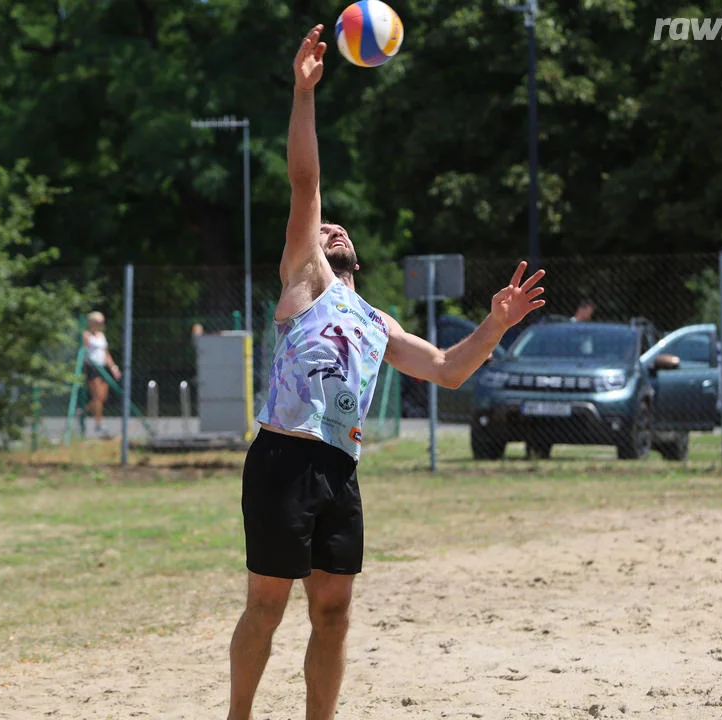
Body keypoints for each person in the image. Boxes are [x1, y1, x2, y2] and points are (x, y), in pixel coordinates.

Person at [225, 24, 547, 720]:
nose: (329, 230)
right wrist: (303, 94)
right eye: (323, 228)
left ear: (358, 258)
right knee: (267, 604)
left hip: (340, 468)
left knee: (334, 611)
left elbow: (447, 369)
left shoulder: (375, 322)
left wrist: (495, 324)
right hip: (283, 456)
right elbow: (305, 180)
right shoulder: (305, 281)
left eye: (339, 232)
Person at [82, 311, 120, 437]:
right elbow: (84, 353)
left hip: (103, 368)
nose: (100, 325)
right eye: (97, 322)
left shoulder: (101, 336)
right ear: (92, 323)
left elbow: (106, 354)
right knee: (97, 397)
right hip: (92, 368)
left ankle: (83, 411)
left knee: (102, 398)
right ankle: (99, 423)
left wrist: (113, 367)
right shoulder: (87, 335)